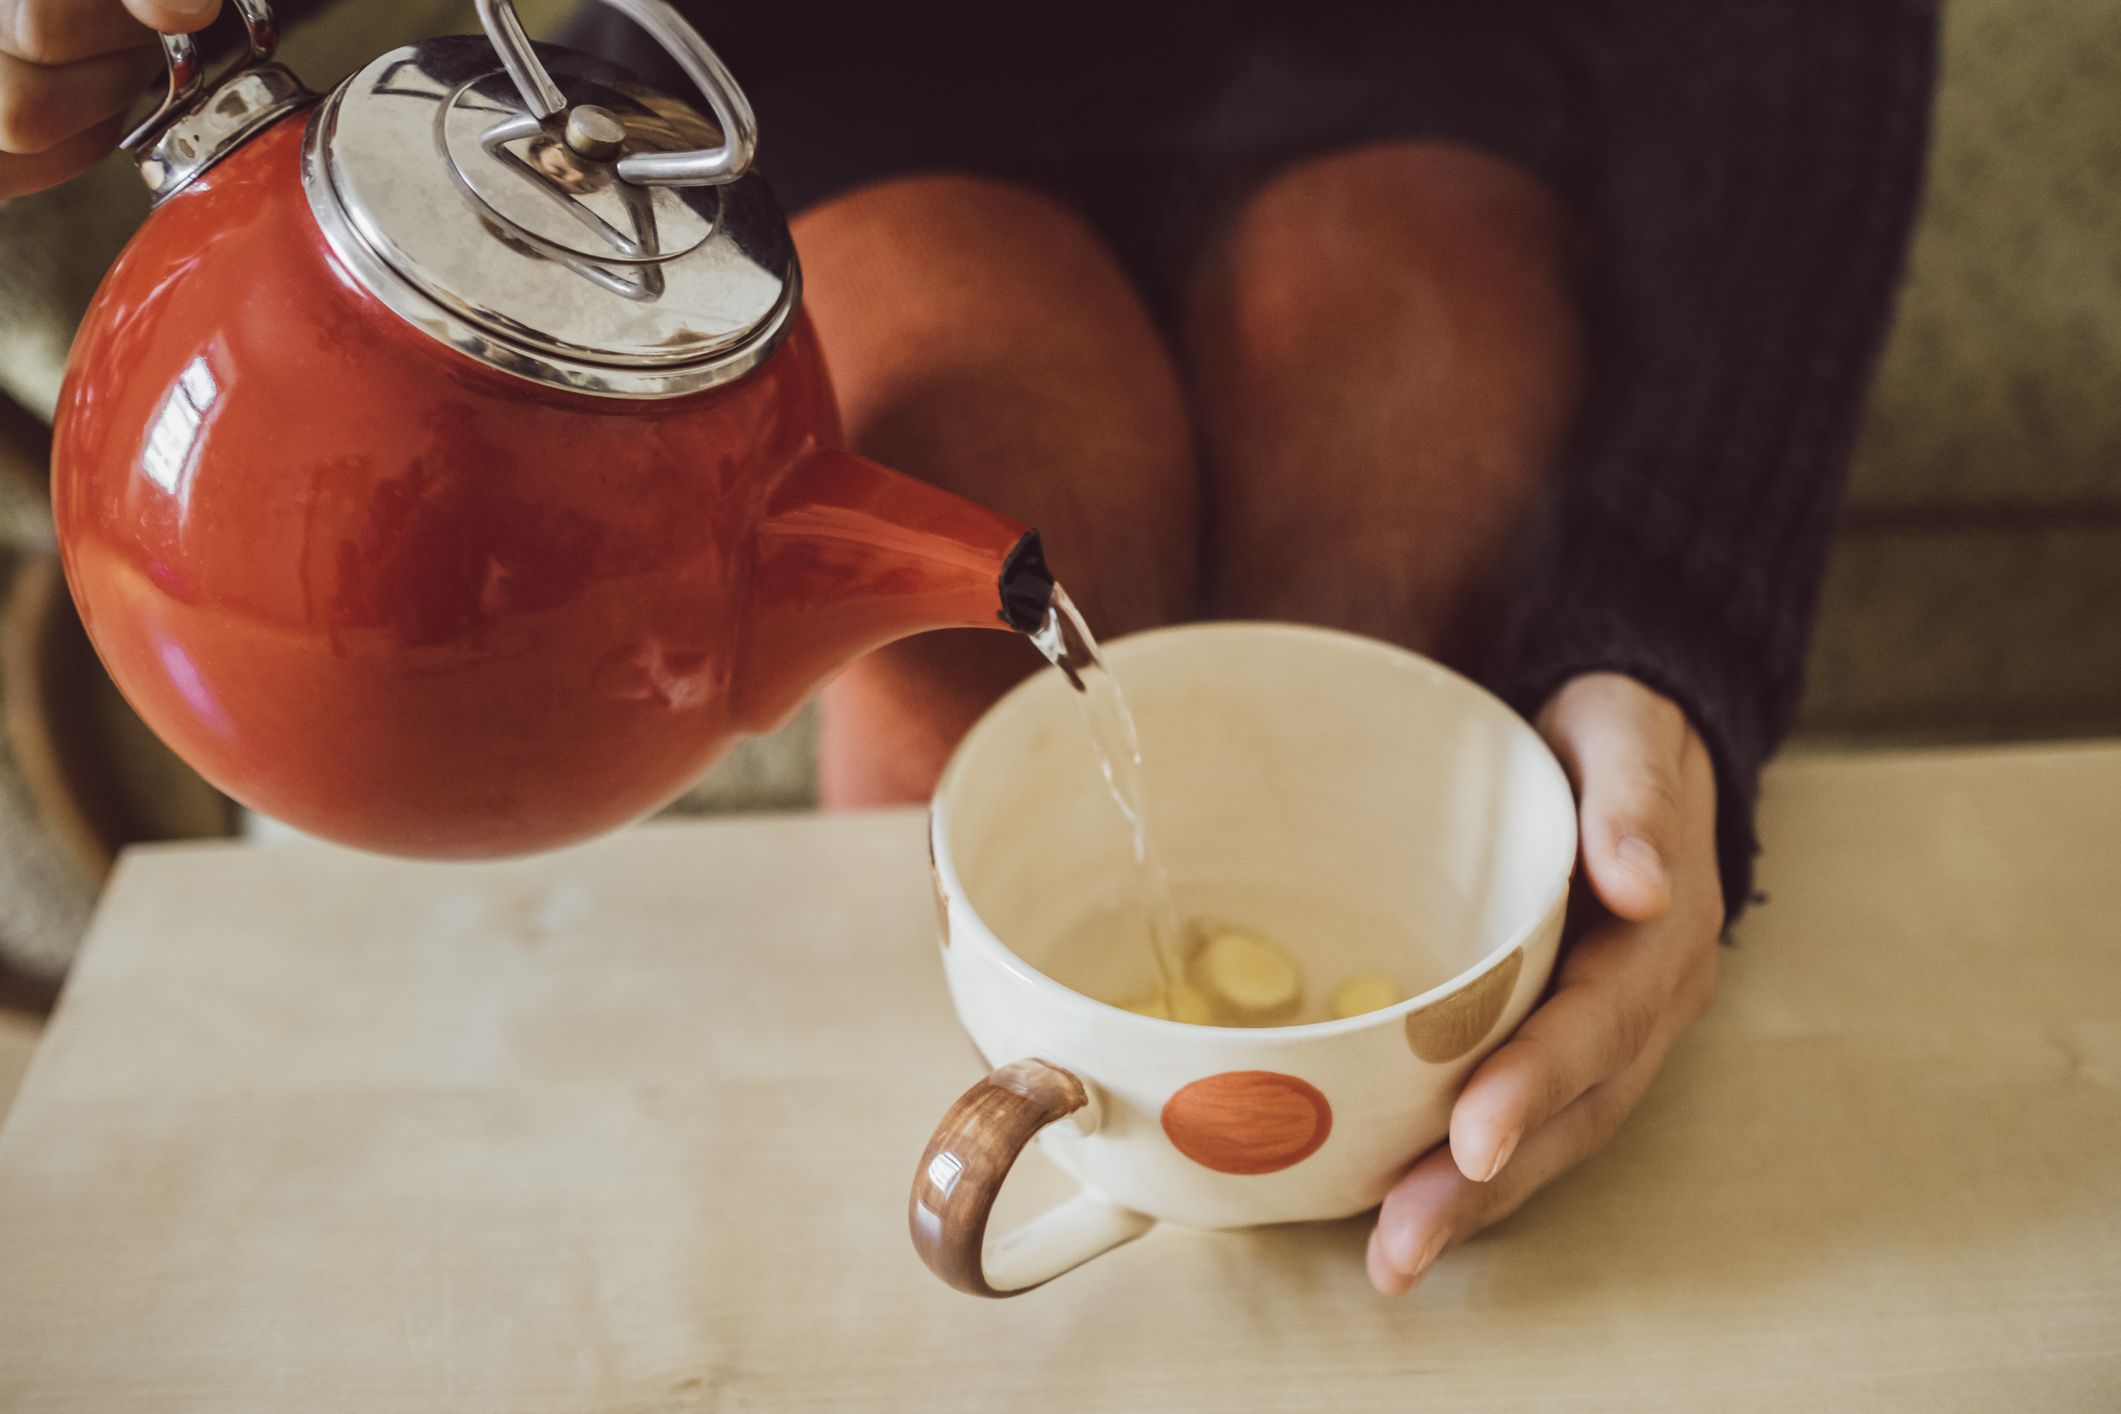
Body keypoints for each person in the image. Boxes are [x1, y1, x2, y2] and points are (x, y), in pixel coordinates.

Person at [0, 0, 1937, 1295]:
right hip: (785, 61)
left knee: (1402, 606)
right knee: (988, 556)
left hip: (1408, 37)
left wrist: (1671, 622)